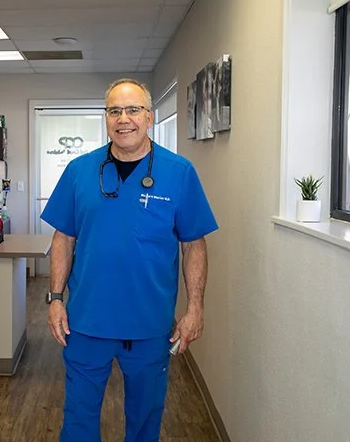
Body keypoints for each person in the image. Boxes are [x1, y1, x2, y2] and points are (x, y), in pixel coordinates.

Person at [41, 78, 218, 442]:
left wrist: (195, 307)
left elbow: (193, 243)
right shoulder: (79, 171)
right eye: (114, 111)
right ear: (105, 118)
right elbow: (64, 237)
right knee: (78, 420)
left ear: (149, 117)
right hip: (87, 321)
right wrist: (56, 298)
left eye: (133, 109)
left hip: (149, 324)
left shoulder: (179, 172)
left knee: (144, 421)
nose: (124, 119)